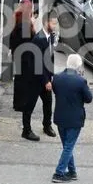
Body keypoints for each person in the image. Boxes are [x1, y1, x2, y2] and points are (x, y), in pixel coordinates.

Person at [51, 53, 93, 183]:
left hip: (60, 116)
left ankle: (72, 172)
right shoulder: (80, 81)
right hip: (75, 118)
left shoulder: (57, 78)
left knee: (66, 146)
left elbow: (56, 91)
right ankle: (59, 173)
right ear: (78, 66)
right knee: (68, 147)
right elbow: (89, 98)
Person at [20, 12, 58, 141]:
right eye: (53, 23)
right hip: (35, 79)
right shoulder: (38, 39)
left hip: (46, 77)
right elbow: (37, 63)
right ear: (47, 23)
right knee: (29, 105)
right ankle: (26, 130)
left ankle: (47, 126)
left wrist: (51, 76)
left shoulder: (51, 37)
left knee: (48, 103)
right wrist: (46, 80)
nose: (55, 26)